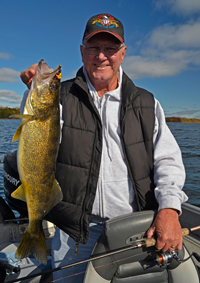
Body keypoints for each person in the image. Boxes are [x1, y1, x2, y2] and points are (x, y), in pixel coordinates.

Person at [20, 13, 188, 283]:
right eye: (94, 47)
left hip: (134, 228)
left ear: (123, 54)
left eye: (110, 48)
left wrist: (169, 210)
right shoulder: (59, 96)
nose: (101, 56)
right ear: (81, 51)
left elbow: (168, 161)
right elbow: (35, 137)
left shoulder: (148, 103)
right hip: (73, 232)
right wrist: (33, 91)